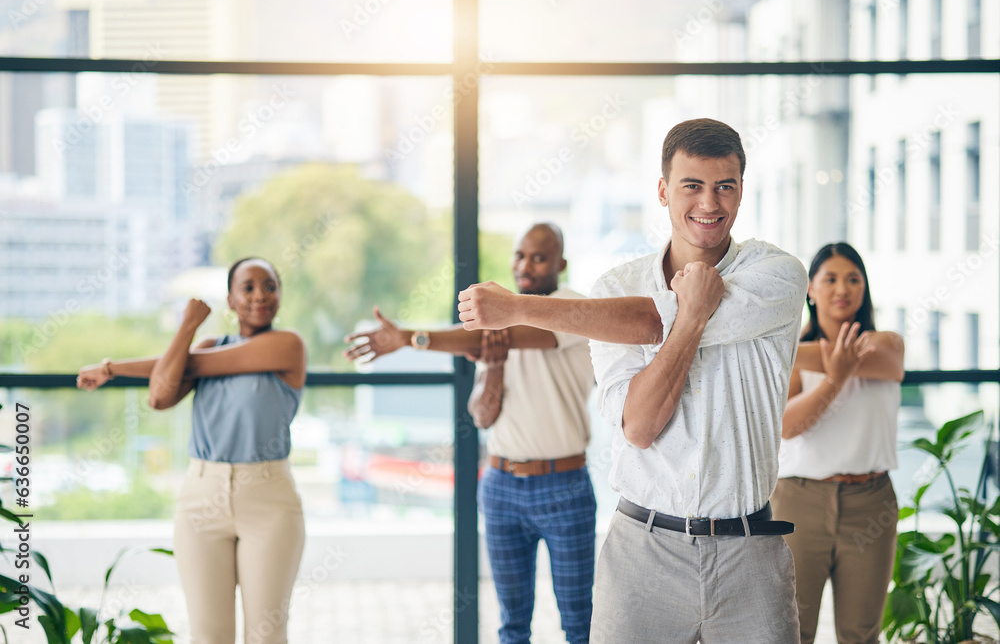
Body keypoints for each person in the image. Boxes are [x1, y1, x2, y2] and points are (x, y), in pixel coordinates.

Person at [457, 118, 807, 642]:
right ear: (664, 190)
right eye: (692, 185)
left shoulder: (776, 274)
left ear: (741, 191)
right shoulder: (615, 288)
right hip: (642, 555)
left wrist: (516, 308)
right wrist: (691, 317)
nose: (710, 203)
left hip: (749, 555)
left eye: (725, 186)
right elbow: (640, 427)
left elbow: (649, 319)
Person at [344, 223, 597, 644]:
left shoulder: (569, 306)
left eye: (539, 257)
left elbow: (509, 338)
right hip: (501, 486)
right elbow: (482, 414)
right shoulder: (499, 326)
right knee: (512, 625)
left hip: (564, 487)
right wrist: (494, 366)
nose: (525, 265)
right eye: (520, 255)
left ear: (560, 264)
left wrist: (408, 338)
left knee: (579, 623)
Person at [77, 257, 307, 644]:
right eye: (247, 287)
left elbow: (200, 365)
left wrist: (114, 368)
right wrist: (187, 326)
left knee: (266, 635)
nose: (260, 295)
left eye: (269, 285)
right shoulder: (204, 345)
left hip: (268, 498)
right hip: (201, 496)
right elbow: (160, 396)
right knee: (208, 634)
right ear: (230, 300)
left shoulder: (287, 345)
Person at [771, 242, 905, 644]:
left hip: (871, 502)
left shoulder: (887, 344)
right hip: (799, 502)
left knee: (861, 633)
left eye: (852, 278)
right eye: (829, 279)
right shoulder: (794, 355)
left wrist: (793, 353)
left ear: (864, 288)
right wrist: (835, 376)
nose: (841, 288)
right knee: (792, 631)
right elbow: (788, 427)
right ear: (810, 289)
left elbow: (884, 363)